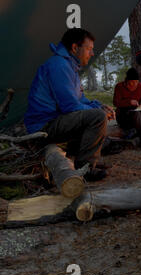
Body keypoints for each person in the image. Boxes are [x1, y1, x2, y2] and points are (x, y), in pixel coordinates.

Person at [24, 28, 115, 181]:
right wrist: (99, 111)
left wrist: (99, 105)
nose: (91, 54)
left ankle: (90, 163)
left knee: (98, 114)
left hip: (55, 122)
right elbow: (70, 106)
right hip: (44, 127)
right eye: (89, 49)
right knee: (97, 117)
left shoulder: (70, 67)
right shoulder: (59, 66)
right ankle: (84, 169)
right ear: (74, 47)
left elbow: (80, 99)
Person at [113, 68, 141, 151]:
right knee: (136, 113)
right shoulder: (119, 87)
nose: (135, 84)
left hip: (137, 117)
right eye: (132, 82)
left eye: (136, 82)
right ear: (127, 81)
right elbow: (116, 102)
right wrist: (129, 102)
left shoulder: (140, 86)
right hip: (123, 116)